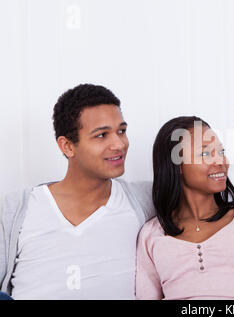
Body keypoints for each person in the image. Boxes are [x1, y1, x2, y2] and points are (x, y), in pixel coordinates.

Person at [0, 84, 154, 299]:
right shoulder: (17, 208)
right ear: (67, 146)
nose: (119, 144)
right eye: (101, 135)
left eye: (122, 131)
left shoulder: (145, 201)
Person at [136, 116, 234, 300]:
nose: (220, 161)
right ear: (176, 165)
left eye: (221, 151)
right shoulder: (151, 235)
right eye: (205, 154)